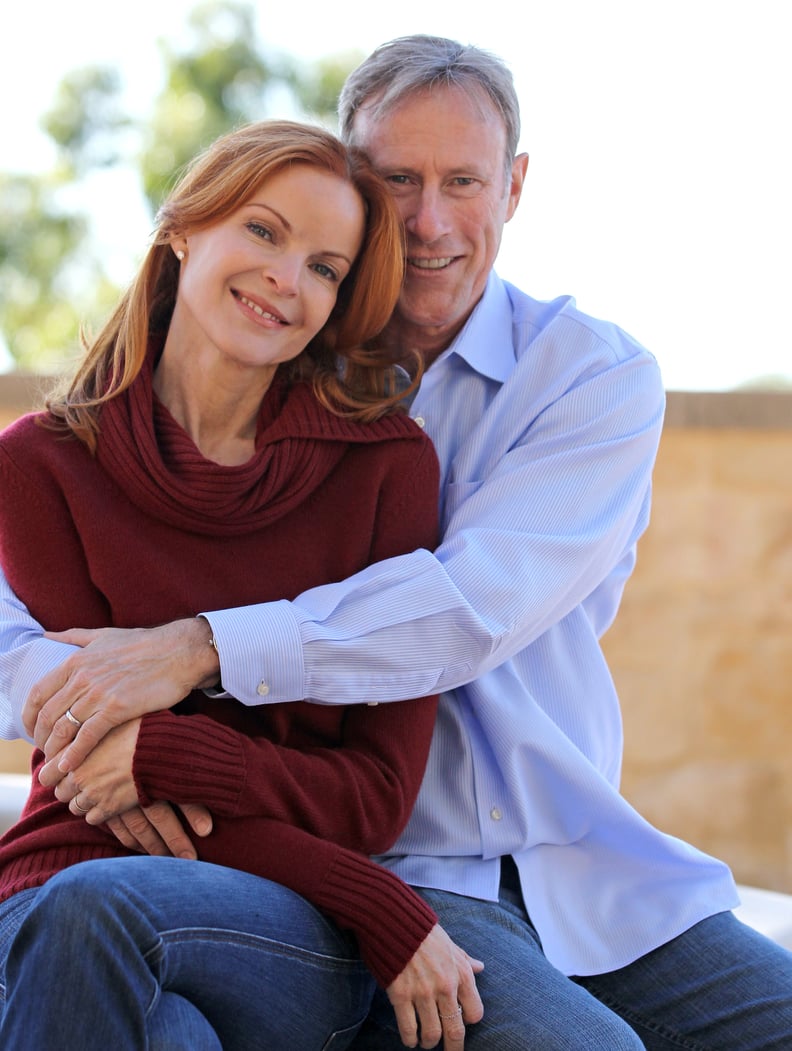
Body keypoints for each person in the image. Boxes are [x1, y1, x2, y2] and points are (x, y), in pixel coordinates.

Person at [2, 32, 792, 1051]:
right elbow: (56, 620)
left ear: (512, 188)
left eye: (462, 180)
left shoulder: (583, 378)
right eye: (395, 181)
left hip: (574, 853)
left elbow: (470, 609)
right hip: (399, 865)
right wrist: (94, 728)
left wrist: (197, 648)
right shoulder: (277, 371)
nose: (428, 222)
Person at [0, 117, 486, 1050]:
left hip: (283, 922)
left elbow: (376, 793)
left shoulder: (386, 471)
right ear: (184, 227)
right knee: (151, 1009)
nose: (286, 279)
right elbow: (94, 763)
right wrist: (374, 898)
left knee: (99, 913)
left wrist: (165, 758)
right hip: (62, 883)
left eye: (325, 268)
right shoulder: (44, 463)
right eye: (264, 231)